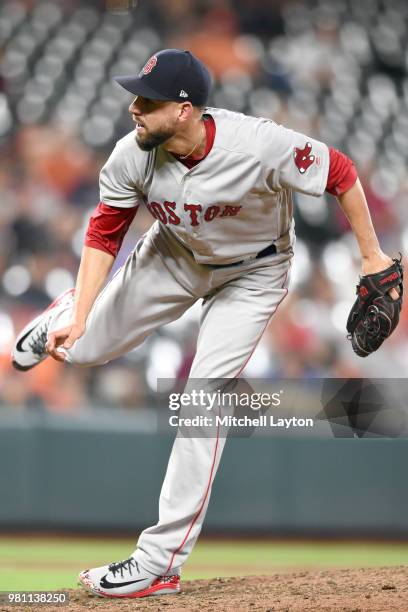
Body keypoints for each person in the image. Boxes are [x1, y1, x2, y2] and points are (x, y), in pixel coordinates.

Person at [12, 48, 397, 599]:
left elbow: (340, 172)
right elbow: (103, 236)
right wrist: (81, 316)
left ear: (185, 109)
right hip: (172, 256)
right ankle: (69, 311)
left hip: (255, 272)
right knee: (82, 347)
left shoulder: (257, 142)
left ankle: (158, 562)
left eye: (148, 101)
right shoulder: (132, 155)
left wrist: (370, 256)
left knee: (202, 400)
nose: (134, 109)